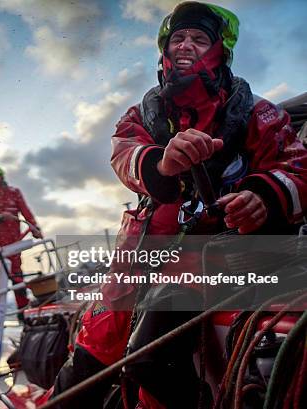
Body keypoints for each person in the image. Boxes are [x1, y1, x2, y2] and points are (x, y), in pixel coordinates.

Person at [51, 2, 307, 408]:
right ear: (164, 51)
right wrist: (162, 163)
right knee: (85, 364)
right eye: (178, 38)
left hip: (209, 267)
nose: (185, 45)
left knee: (150, 362)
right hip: (136, 261)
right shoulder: (141, 114)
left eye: (200, 38)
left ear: (220, 52)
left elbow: (296, 166)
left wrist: (263, 196)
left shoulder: (260, 114)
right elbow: (125, 155)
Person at [0, 167, 42, 322]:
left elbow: (26, 211)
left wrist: (34, 227)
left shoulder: (14, 192)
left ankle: (22, 313)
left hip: (11, 243)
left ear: (2, 178)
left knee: (16, 277)